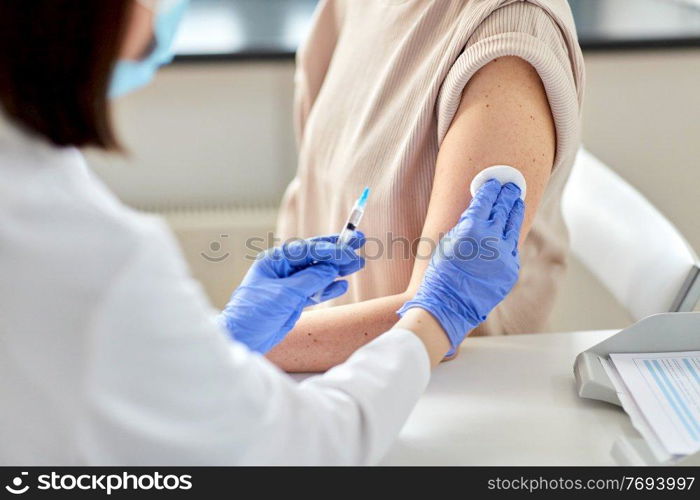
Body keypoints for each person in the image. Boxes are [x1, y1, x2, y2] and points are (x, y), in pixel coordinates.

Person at [0, 0, 524, 465]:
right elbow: (307, 449)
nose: (161, 13)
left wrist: (223, 341)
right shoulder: (96, 254)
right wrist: (437, 313)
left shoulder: (505, 34)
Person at [271, 0, 585, 371]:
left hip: (442, 391)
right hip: (321, 374)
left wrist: (237, 344)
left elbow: (436, 323)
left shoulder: (509, 37)